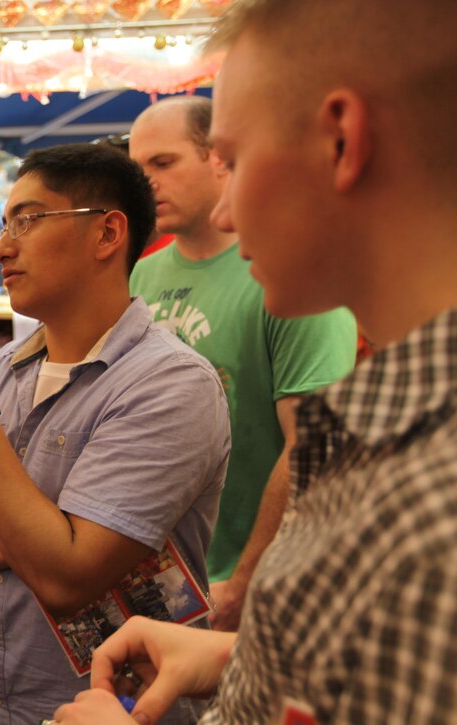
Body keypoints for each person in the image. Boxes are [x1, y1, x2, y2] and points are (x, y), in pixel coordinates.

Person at [51, 0, 457, 722]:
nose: (229, 209)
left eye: (233, 161)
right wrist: (240, 658)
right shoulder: (390, 431)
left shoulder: (428, 505)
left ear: (340, 142)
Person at [0, 143, 230, 724]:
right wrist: (43, 540)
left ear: (108, 234)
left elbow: (65, 578)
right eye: (3, 225)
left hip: (116, 708)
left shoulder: (171, 384)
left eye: (28, 221)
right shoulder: (9, 367)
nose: (2, 247)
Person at [128, 96, 358, 631]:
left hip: (254, 581)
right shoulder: (140, 275)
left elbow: (314, 446)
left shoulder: (290, 273)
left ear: (220, 158)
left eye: (163, 163)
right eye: (136, 169)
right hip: (159, 576)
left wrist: (245, 580)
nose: (146, 184)